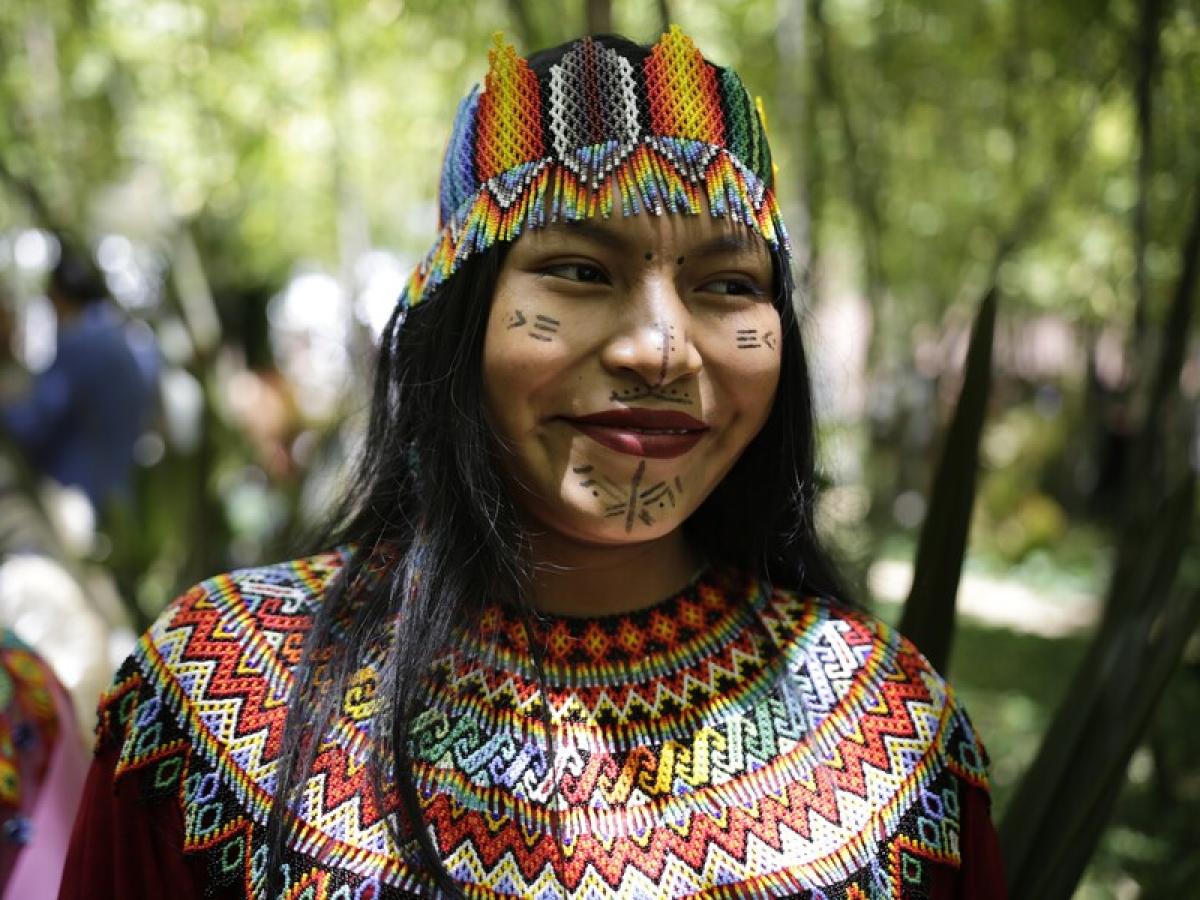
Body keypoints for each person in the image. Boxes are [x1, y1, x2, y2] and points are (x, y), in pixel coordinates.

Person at [60, 29, 1007, 899]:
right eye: (580, 271)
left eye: (728, 285)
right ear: (460, 321)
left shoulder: (892, 737)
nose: (662, 350)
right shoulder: (220, 694)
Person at [0, 244, 157, 515]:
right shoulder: (118, 334)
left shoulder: (80, 341)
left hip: (76, 497)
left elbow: (36, 424)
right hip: (116, 492)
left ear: (61, 297)